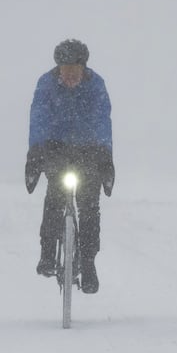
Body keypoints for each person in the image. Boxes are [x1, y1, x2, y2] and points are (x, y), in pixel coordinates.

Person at [24, 38, 115, 294]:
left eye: (74, 71)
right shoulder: (46, 84)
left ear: (83, 68)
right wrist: (35, 154)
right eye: (65, 71)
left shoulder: (96, 85)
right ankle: (47, 253)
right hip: (56, 148)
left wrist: (105, 156)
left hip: (89, 150)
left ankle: (88, 263)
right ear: (58, 69)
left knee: (89, 206)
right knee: (54, 196)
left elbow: (102, 121)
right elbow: (38, 117)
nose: (70, 76)